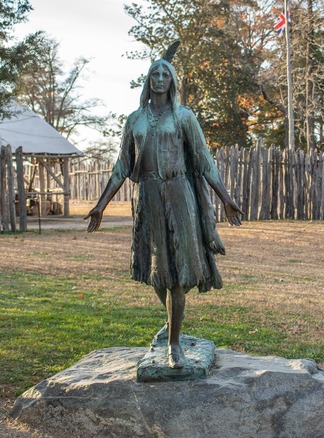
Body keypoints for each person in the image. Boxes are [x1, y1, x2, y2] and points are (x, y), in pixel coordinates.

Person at [85, 50, 242, 369]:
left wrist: (225, 198)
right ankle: (172, 325)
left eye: (165, 74)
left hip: (180, 192)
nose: (159, 79)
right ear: (148, 80)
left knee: (180, 273)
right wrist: (101, 205)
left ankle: (174, 345)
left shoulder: (184, 117)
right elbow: (122, 166)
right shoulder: (135, 120)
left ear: (172, 81)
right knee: (156, 269)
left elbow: (203, 159)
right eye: (154, 74)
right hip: (149, 196)